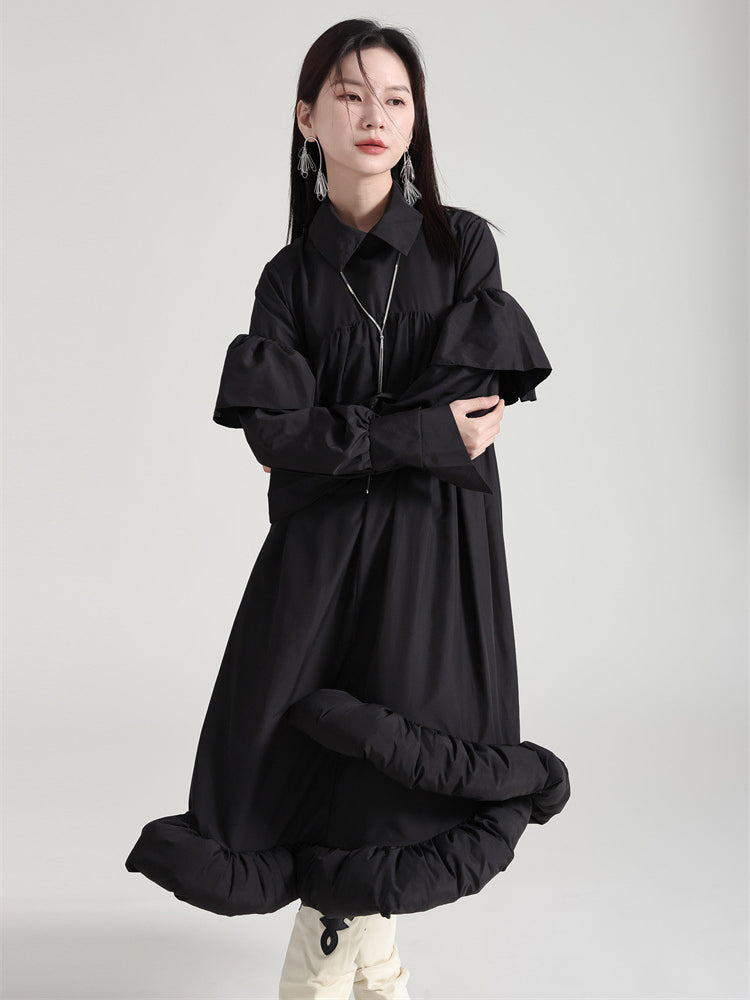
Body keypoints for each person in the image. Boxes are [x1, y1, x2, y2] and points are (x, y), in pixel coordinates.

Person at [124, 18, 571, 1000]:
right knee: (304, 765)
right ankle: (367, 972)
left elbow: (468, 417)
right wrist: (410, 436)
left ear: (417, 121)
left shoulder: (462, 248)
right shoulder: (288, 282)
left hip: (432, 559)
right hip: (320, 563)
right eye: (352, 94)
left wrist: (348, 440)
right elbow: (280, 438)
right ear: (307, 116)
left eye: (397, 99)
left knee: (391, 777)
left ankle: (341, 972)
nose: (376, 115)